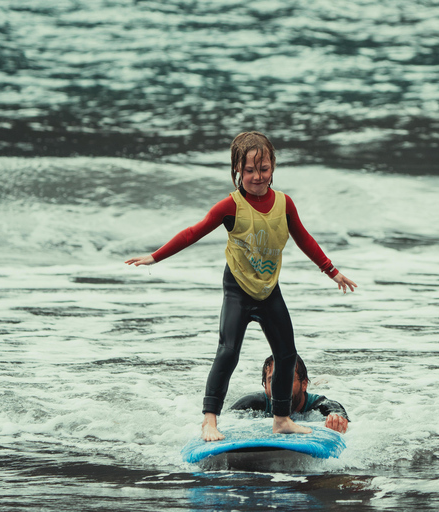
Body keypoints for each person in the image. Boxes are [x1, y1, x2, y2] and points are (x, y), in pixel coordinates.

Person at [125, 131, 357, 442]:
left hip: (268, 289)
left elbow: (304, 238)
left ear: (273, 167)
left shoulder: (285, 204)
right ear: (237, 170)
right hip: (237, 288)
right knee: (228, 351)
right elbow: (194, 232)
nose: (257, 177)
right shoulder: (230, 206)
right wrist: (155, 257)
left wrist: (332, 271)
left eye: (263, 169)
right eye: (249, 170)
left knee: (287, 354)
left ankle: (282, 419)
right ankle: (209, 421)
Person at [231, 355, 349, 434]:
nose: (280, 388)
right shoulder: (251, 404)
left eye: (288, 380)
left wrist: (336, 420)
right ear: (265, 386)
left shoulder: (322, 406)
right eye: (272, 381)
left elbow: (338, 414)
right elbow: (225, 422)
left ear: (304, 384)